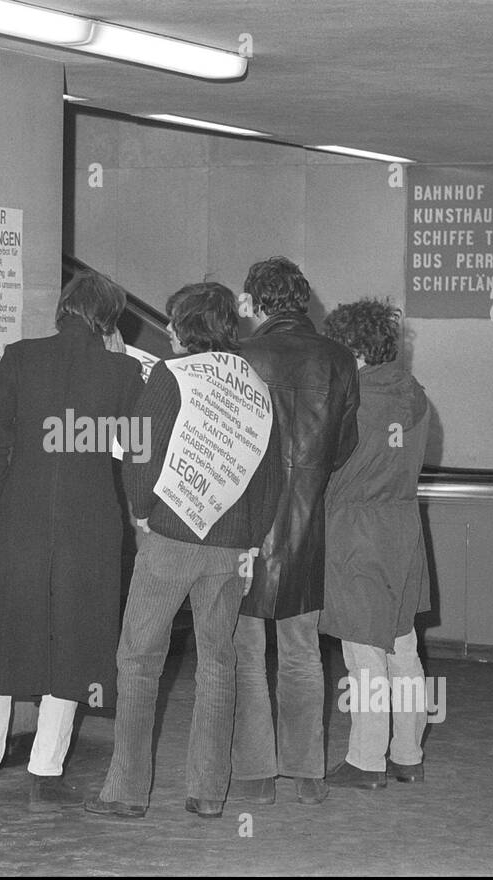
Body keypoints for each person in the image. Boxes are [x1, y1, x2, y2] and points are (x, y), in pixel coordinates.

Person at [0, 270, 145, 812]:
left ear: (62, 308)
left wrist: (0, 494)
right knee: (74, 641)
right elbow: (137, 455)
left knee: (1, 633)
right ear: (108, 320)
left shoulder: (19, 357)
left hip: (19, 520)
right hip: (90, 525)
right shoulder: (124, 372)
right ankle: (46, 771)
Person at [85, 282, 280, 818]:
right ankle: (209, 793)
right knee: (218, 662)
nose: (167, 329)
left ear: (190, 325)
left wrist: (142, 511)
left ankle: (126, 792)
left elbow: (141, 451)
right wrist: (250, 535)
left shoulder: (173, 377)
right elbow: (269, 479)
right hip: (231, 547)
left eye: (173, 320)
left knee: (139, 658)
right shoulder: (256, 386)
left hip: (172, 536)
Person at [231, 257, 360, 806]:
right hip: (307, 523)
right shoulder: (337, 359)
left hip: (244, 523)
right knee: (303, 650)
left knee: (246, 651)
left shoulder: (240, 358)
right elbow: (345, 443)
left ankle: (257, 773)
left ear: (258, 302)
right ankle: (308, 771)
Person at [319, 297, 433, 789]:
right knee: (402, 645)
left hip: (355, 531)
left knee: (363, 653)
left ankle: (366, 761)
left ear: (353, 349)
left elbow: (324, 467)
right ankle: (407, 754)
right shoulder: (416, 394)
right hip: (404, 529)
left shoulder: (349, 400)